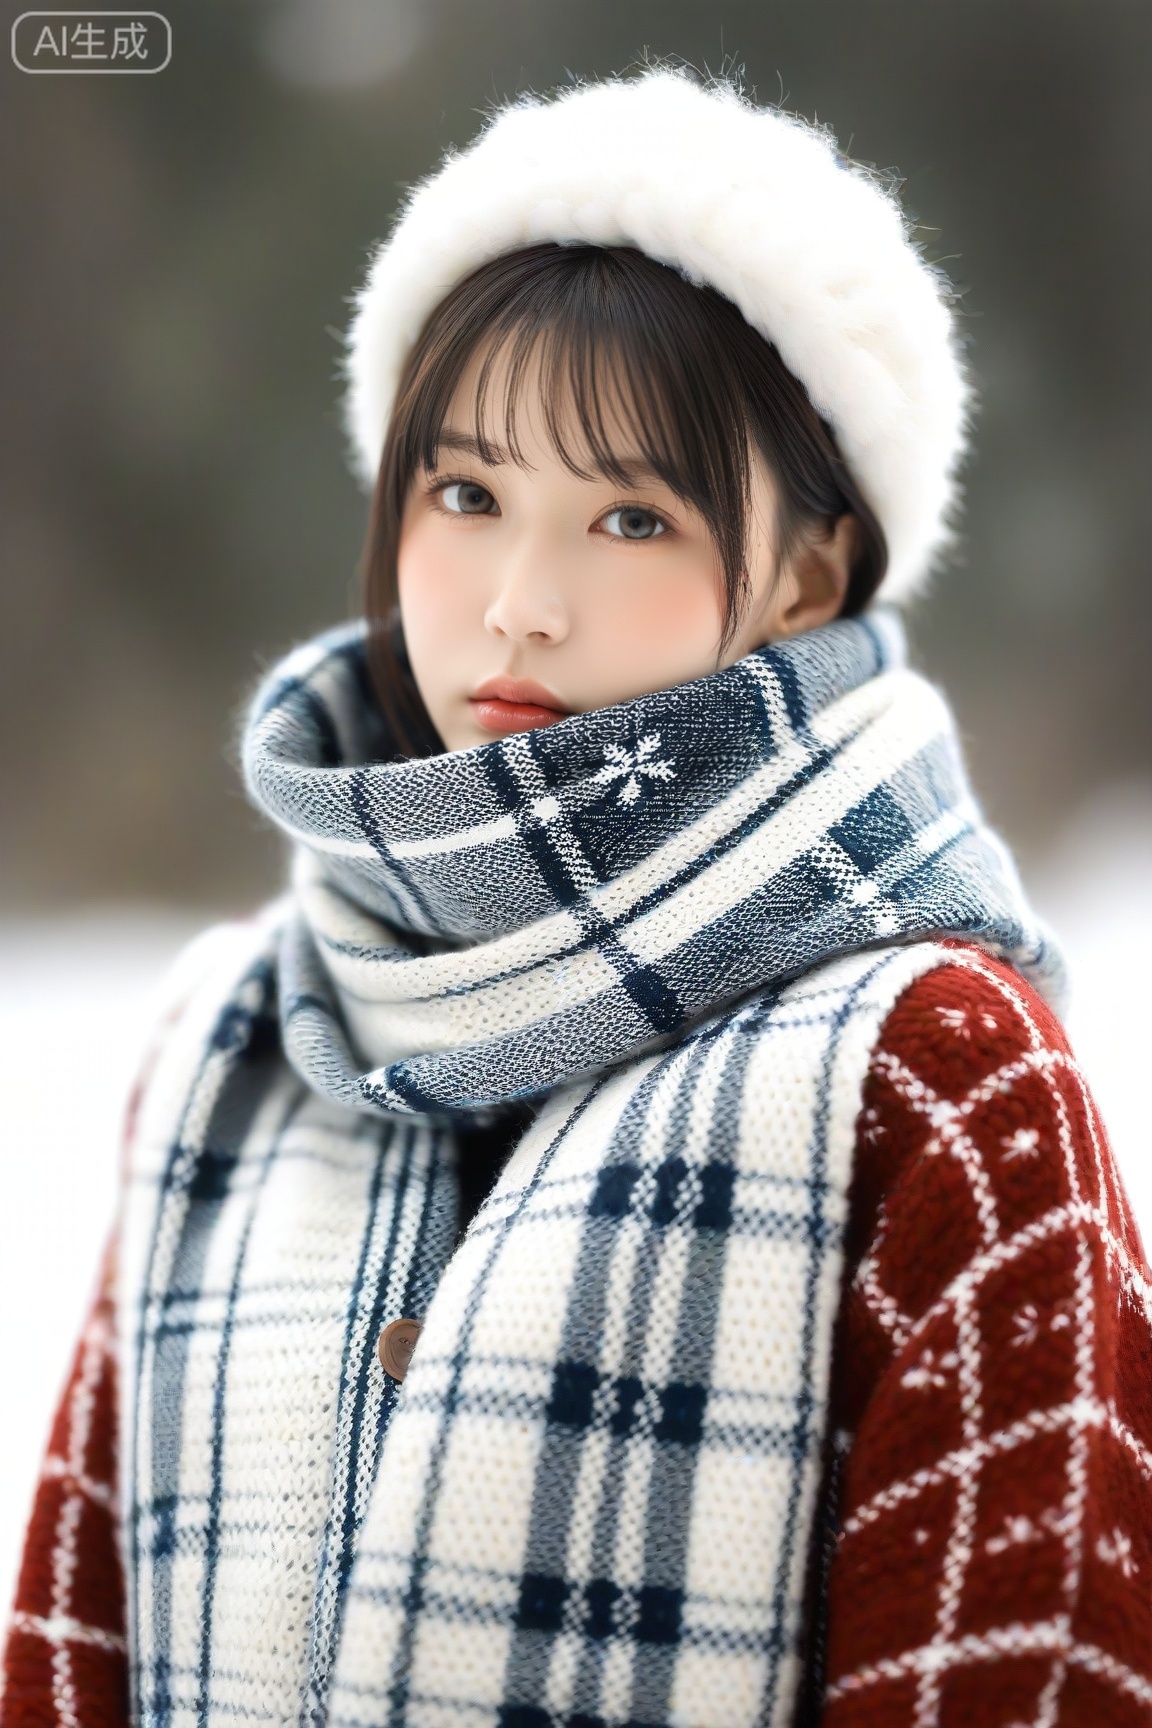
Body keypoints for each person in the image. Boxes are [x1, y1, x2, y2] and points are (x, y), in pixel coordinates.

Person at [4, 68, 1149, 1728]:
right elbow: (67, 1655)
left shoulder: (934, 1076)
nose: (521, 608)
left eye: (629, 517)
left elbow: (1028, 1679)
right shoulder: (230, 1049)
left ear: (810, 575)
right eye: (466, 497)